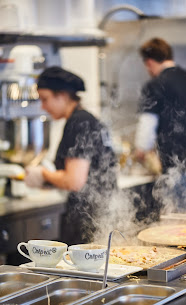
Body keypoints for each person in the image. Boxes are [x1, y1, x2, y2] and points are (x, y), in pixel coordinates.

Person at [25, 66, 117, 245]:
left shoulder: (78, 123)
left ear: (63, 95)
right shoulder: (88, 119)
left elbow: (74, 181)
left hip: (87, 218)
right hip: (102, 213)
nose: (43, 107)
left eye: (45, 99)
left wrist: (43, 175)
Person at [135, 37, 186, 208]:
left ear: (149, 62)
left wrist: (141, 151)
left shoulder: (155, 86)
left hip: (179, 171)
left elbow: (147, 126)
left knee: (180, 228)